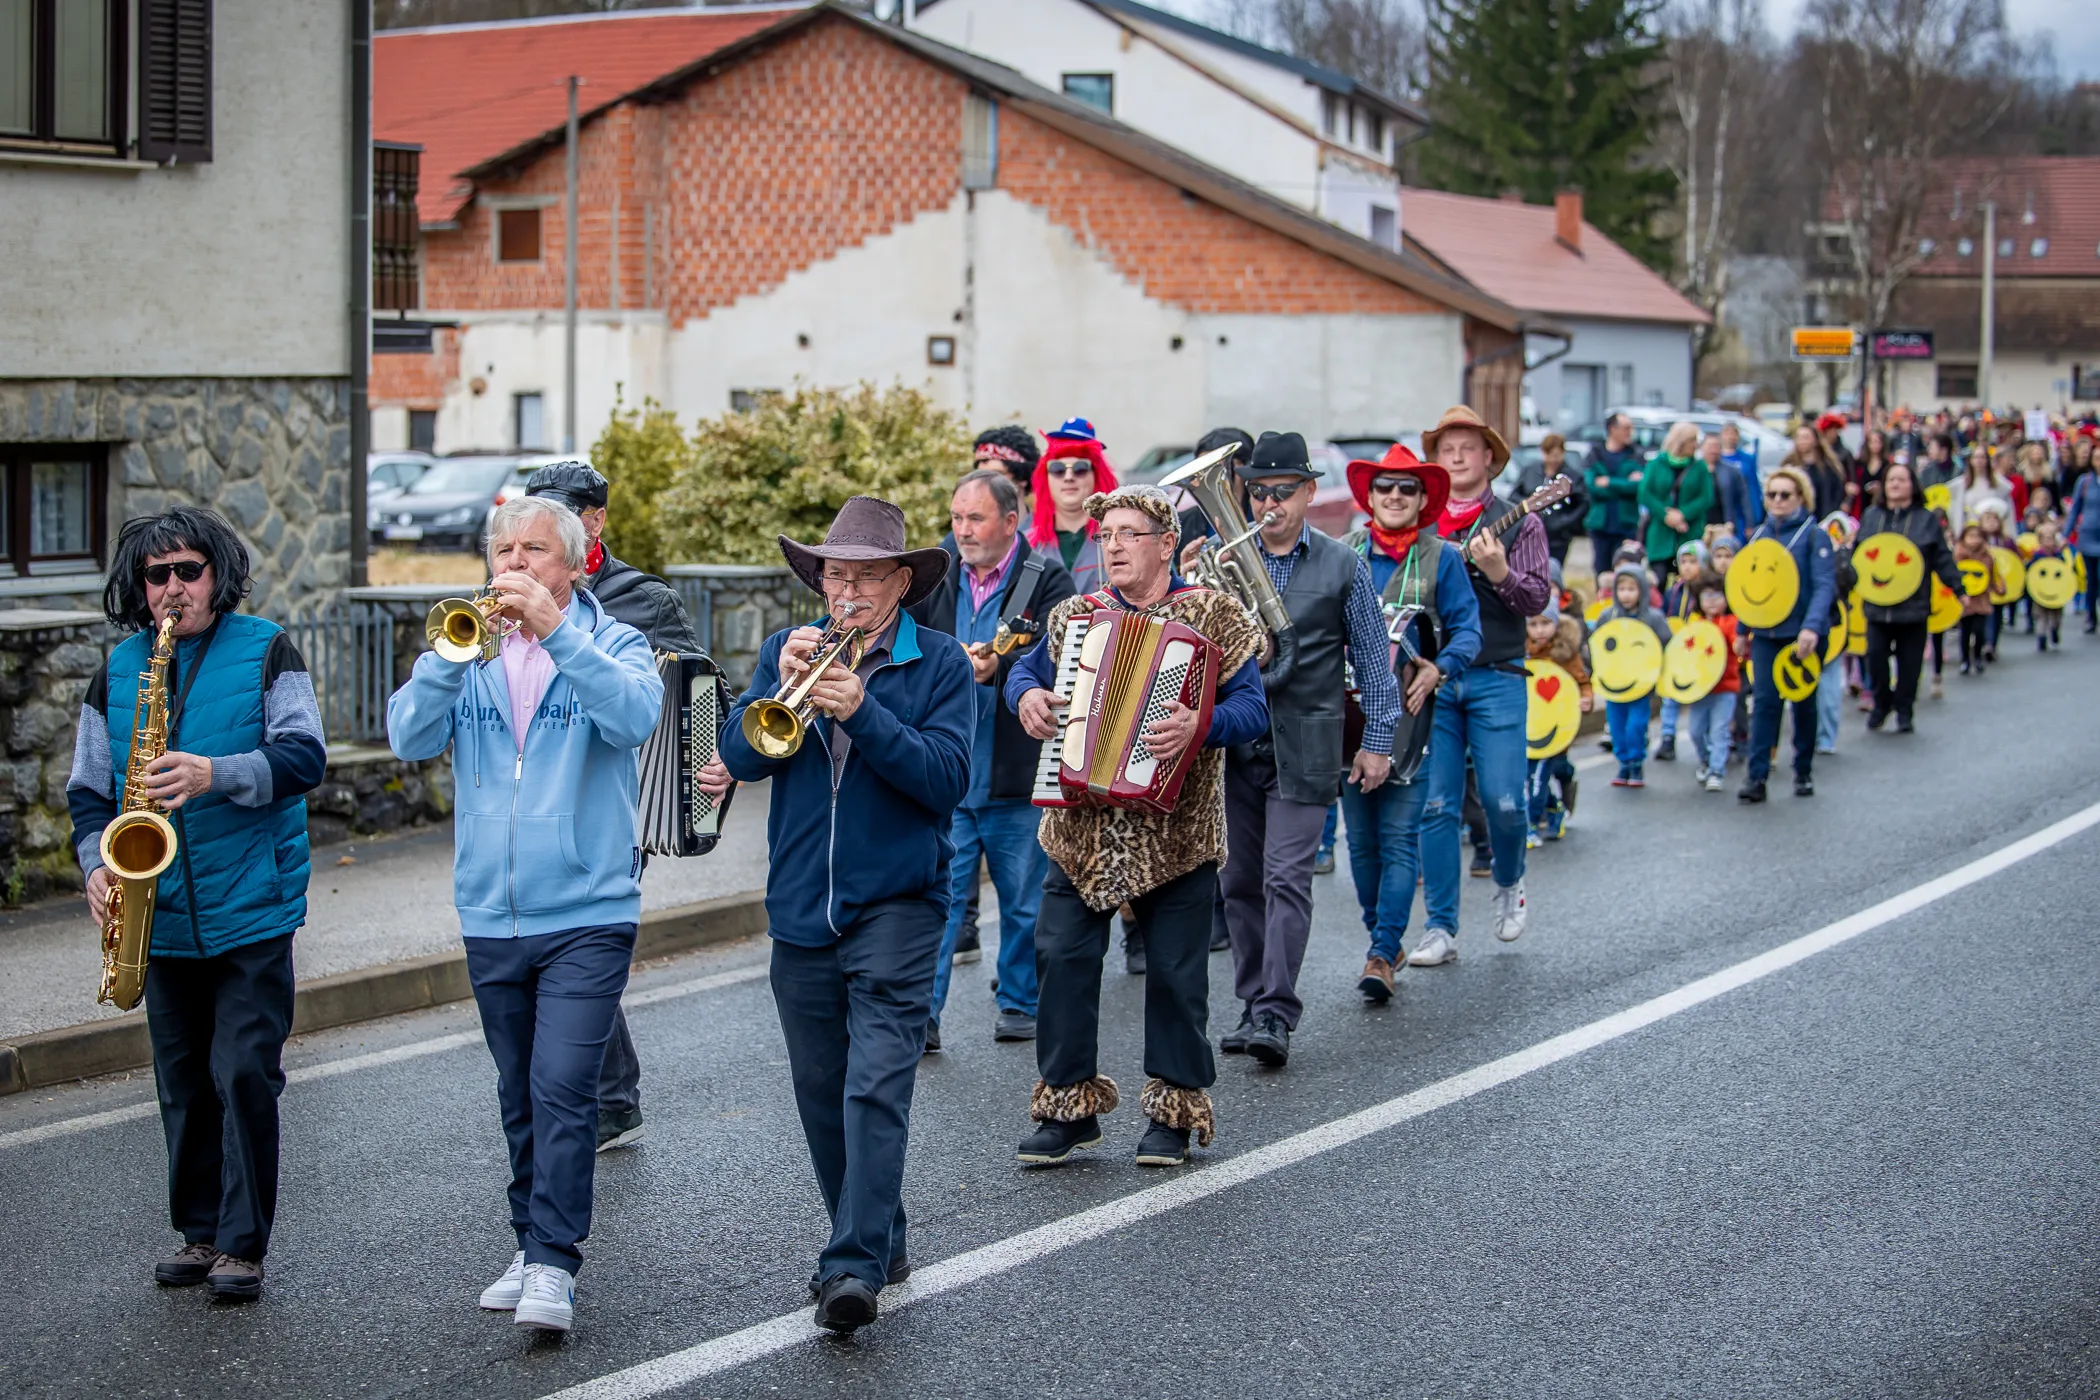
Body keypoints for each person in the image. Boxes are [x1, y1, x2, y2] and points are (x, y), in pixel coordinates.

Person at [387, 496, 664, 1334]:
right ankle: (529, 1241)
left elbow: (637, 717)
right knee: (519, 1093)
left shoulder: (612, 641)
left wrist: (558, 632)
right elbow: (406, 737)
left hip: (588, 908)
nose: (515, 563)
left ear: (575, 564)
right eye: (503, 548)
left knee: (563, 1087)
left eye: (535, 550)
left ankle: (553, 1263)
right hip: (489, 909)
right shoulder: (467, 643)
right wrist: (443, 656)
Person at [701, 496, 972, 1334]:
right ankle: (878, 1234)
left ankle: (851, 1264)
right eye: (833, 574)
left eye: (863, 575)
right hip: (799, 909)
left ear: (899, 582)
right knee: (820, 1091)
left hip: (899, 905)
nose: (844, 590)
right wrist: (777, 683)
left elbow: (944, 780)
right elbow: (740, 757)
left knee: (874, 1087)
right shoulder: (793, 652)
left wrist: (866, 711)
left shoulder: (940, 665)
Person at [68, 508, 325, 1305]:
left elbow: (305, 755)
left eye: (189, 570)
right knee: (181, 1081)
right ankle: (199, 1231)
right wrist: (95, 870)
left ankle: (243, 1247)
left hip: (250, 904)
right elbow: (87, 793)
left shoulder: (266, 648)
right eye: (157, 575)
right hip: (159, 911)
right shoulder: (117, 670)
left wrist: (218, 774)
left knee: (244, 1072)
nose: (174, 587)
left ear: (218, 573)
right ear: (137, 588)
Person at [1006, 484, 1269, 1168]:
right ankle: (1067, 1108)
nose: (1113, 547)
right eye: (1106, 537)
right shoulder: (1075, 616)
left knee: (1178, 975)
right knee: (1060, 958)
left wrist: (1201, 724)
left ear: (1165, 543)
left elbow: (1254, 710)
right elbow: (1021, 677)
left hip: (1176, 830)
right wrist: (1027, 696)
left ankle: (1173, 1114)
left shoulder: (1214, 614)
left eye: (1128, 535)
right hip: (1079, 827)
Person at [523, 460, 704, 1154]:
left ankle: (604, 1101)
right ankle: (609, 1096)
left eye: (559, 514)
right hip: (533, 798)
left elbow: (692, 692)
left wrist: (692, 791)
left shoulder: (640, 597)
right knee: (560, 951)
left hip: (614, 801)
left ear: (594, 520)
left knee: (579, 945)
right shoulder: (511, 587)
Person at [1216, 432, 1402, 1065]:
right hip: (1234, 741)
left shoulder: (1343, 563)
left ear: (1308, 492)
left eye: (1284, 491)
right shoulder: (1219, 559)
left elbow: (1375, 662)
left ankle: (1276, 1010)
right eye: (1259, 491)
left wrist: (1378, 741)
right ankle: (1250, 1001)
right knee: (1238, 878)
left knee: (1286, 876)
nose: (1270, 503)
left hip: (1309, 739)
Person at [908, 470, 1077, 1047]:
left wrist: (1000, 669)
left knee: (1024, 900)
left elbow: (1062, 663)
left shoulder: (1045, 577)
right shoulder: (938, 574)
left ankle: (1019, 1000)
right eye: (956, 518)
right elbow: (912, 648)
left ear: (1011, 521)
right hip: (948, 771)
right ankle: (922, 1015)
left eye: (974, 518)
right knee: (938, 904)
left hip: (1015, 769)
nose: (962, 531)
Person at [1341, 446, 1483, 1001]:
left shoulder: (1443, 557)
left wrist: (1440, 669)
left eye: (1406, 488)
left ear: (1423, 499)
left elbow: (1468, 629)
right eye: (1385, 488)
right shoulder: (1342, 551)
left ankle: (1381, 953)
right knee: (1361, 845)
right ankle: (1384, 933)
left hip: (1411, 721)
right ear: (1369, 497)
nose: (1395, 496)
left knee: (1399, 838)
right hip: (1349, 721)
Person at [1415, 405, 1553, 966]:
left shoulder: (1523, 521)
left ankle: (1509, 879)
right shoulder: (1420, 525)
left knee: (1502, 800)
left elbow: (1537, 599)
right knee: (1436, 805)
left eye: (1467, 447)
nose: (1456, 455)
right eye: (1446, 447)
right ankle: (1440, 928)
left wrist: (1499, 573)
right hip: (1433, 678)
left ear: (1490, 459)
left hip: (1497, 674)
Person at [1735, 466, 1835, 803]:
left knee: (1803, 703)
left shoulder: (1813, 535)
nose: (1777, 500)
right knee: (1764, 703)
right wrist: (1741, 630)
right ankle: (1756, 777)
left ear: (1800, 498)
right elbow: (1747, 589)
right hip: (1766, 633)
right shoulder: (1759, 536)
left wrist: (1811, 627)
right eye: (1772, 494)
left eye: (1785, 495)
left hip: (1801, 634)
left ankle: (1803, 769)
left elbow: (1823, 586)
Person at [1856, 460, 1960, 734]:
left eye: (1902, 480)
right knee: (1875, 659)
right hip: (1877, 606)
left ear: (1912, 486)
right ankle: (1881, 703)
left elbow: (1942, 558)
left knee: (1910, 665)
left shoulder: (1926, 519)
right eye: (1891, 480)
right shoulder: (1871, 516)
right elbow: (1858, 557)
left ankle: (1904, 709)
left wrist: (1960, 589)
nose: (1895, 484)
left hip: (1913, 606)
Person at [1596, 565, 1669, 788]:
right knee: (1617, 727)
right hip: (1614, 683)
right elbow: (1596, 646)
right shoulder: (1607, 616)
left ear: (1642, 591)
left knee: (1636, 725)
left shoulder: (1653, 618)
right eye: (1622, 589)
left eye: (1631, 589)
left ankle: (1636, 761)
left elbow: (1666, 643)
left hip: (1641, 685)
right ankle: (1623, 762)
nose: (1626, 594)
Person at [1025, 417, 1118, 594]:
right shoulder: (1025, 545)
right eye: (1057, 468)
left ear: (1096, 475)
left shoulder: (1120, 541)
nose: (1068, 476)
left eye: (1080, 467)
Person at [1522, 599, 1588, 838]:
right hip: (1531, 725)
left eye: (1546, 623)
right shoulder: (1522, 652)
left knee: (1539, 774)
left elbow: (1580, 683)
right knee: (1530, 774)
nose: (1539, 630)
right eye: (1534, 624)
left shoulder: (1566, 653)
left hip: (1557, 726)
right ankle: (1554, 807)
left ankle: (1530, 825)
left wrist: (1585, 699)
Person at [1681, 580, 1740, 792]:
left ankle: (1717, 770)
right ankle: (1706, 760)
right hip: (1700, 688)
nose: (1712, 601)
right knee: (1696, 731)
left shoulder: (1731, 622)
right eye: (1707, 596)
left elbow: (1737, 646)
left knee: (1719, 730)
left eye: (1717, 596)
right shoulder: (1696, 623)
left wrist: (1739, 643)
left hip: (1725, 686)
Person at [1638, 421, 1716, 577]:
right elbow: (1644, 494)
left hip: (1689, 532)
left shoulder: (1699, 467)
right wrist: (1665, 514)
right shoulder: (1656, 464)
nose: (1695, 445)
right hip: (1660, 532)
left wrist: (1683, 514)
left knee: (1690, 580)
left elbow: (1706, 497)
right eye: (1692, 440)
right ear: (1680, 441)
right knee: (1658, 578)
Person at [1512, 433, 1590, 563]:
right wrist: (1527, 506)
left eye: (1557, 455)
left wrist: (1564, 522)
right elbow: (1513, 496)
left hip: (1558, 538)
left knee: (1553, 570)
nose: (1553, 460)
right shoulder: (1529, 471)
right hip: (1528, 534)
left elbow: (1583, 503)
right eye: (1549, 455)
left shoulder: (1572, 476)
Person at [1585, 412, 1643, 576]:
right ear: (1612, 429)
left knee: (1626, 571)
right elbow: (1592, 488)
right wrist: (1624, 483)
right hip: (1600, 525)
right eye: (1626, 427)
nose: (1630, 431)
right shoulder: (1595, 455)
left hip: (1626, 525)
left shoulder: (1635, 455)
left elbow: (1638, 487)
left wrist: (1610, 482)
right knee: (1601, 571)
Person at [1781, 425, 1846, 538]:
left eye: (1806, 437)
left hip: (1823, 519)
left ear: (1815, 440)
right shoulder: (1789, 465)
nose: (1802, 441)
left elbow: (1836, 492)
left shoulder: (1828, 466)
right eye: (1799, 438)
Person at [1953, 521, 1995, 673]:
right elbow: (1953, 576)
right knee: (1964, 632)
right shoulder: (1958, 556)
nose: (1974, 540)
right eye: (1970, 536)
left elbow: (1992, 576)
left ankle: (1977, 657)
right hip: (1964, 599)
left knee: (1979, 630)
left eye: (1977, 536)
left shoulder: (1987, 557)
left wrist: (1998, 588)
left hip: (1982, 599)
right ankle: (1964, 660)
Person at [2065, 459, 2100, 631]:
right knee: (2091, 579)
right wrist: (2065, 534)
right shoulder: (2084, 482)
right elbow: (2075, 509)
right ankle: (2091, 616)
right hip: (2088, 537)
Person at [2030, 520, 2072, 651]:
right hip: (2041, 592)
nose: (2049, 542)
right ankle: (2041, 637)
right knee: (2041, 616)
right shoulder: (2037, 556)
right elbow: (2031, 572)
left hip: (2057, 593)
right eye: (2046, 539)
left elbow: (2065, 572)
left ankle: (2054, 630)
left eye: (2051, 539)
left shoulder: (2059, 556)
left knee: (2057, 616)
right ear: (2040, 540)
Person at [1706, 430, 1754, 532]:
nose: (1713, 451)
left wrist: (1749, 523)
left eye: (1716, 447)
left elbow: (1744, 498)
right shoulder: (1695, 469)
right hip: (1701, 524)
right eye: (1710, 447)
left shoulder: (1731, 470)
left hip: (1725, 524)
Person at [1718, 422, 1763, 528]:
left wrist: (1756, 513)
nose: (1731, 437)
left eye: (1734, 434)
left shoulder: (1746, 459)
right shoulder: (1716, 459)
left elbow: (1753, 486)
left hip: (1743, 512)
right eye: (1727, 433)